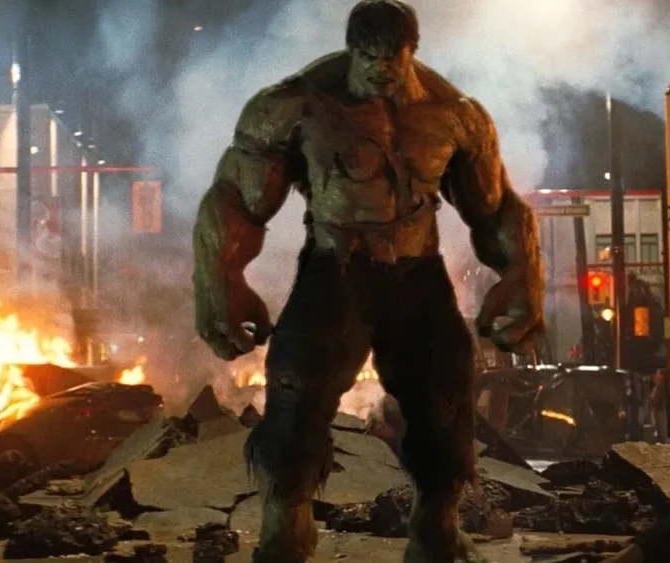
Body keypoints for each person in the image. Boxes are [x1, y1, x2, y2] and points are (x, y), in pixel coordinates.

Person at [192, 1, 544, 561]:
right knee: (296, 390)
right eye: (367, 56)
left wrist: (524, 272)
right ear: (351, 49)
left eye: (391, 57)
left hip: (417, 276)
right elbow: (236, 198)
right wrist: (219, 278)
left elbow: (494, 207)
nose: (379, 68)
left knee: (445, 392)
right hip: (335, 271)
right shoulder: (294, 106)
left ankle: (436, 526)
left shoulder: (455, 115)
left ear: (411, 52)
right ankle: (286, 524)